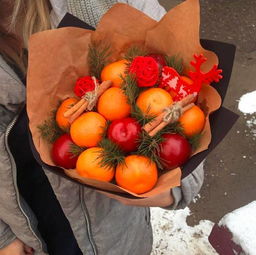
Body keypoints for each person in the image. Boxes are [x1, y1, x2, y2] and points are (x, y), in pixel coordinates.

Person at [0, 0, 204, 254]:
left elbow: (186, 94)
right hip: (29, 234)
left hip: (114, 232)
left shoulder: (102, 4)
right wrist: (3, 237)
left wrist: (173, 184)